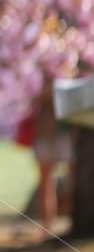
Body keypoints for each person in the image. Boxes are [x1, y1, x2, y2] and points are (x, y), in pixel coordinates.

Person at [32, 78, 74, 230]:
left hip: (65, 132)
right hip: (45, 132)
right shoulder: (38, 73)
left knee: (73, 176)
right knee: (46, 181)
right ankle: (47, 226)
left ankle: (74, 219)